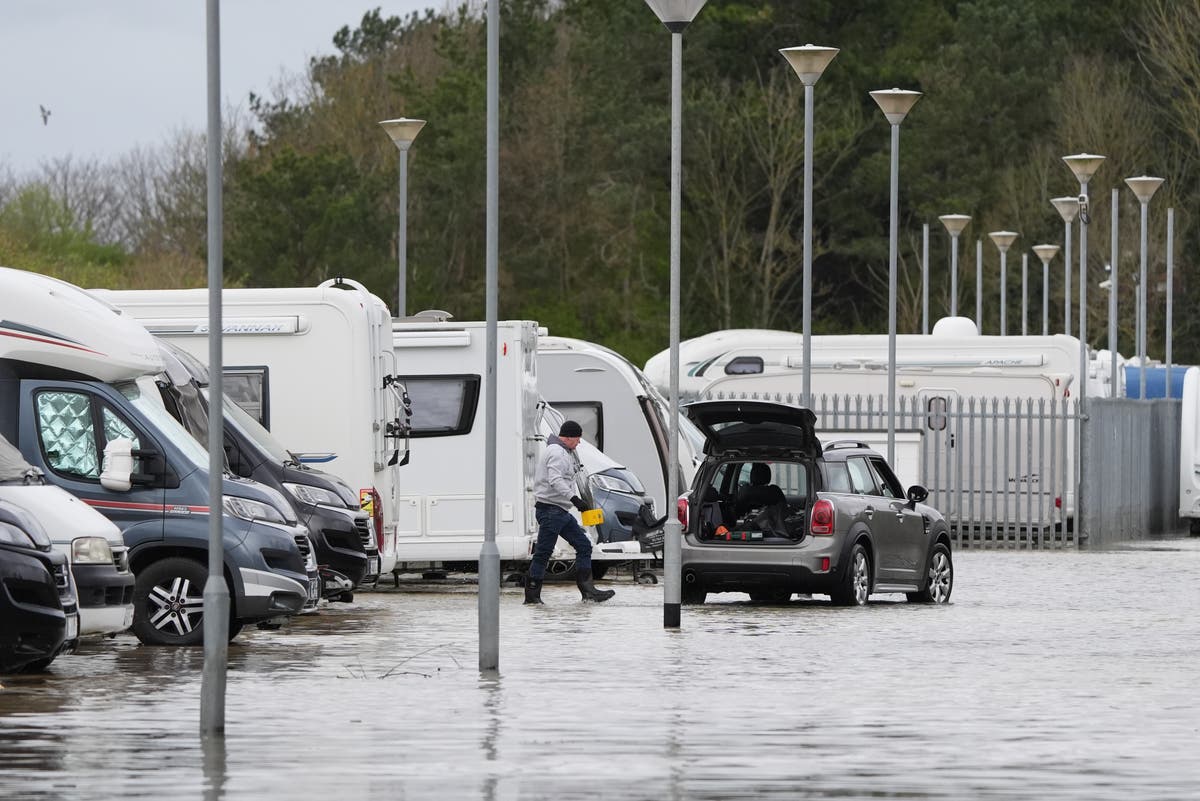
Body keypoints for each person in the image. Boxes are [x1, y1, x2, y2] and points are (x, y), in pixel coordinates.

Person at [525, 420, 615, 604]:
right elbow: (555, 480)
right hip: (551, 510)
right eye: (577, 439)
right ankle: (532, 597)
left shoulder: (565, 451)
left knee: (584, 545)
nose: (579, 443)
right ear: (566, 438)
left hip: (559, 511)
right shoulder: (557, 453)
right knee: (543, 553)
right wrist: (574, 499)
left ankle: (588, 591)